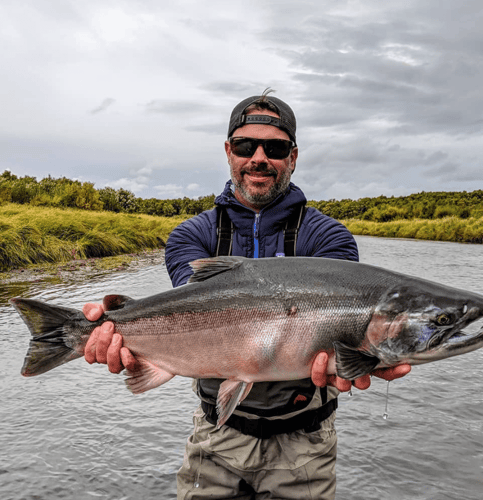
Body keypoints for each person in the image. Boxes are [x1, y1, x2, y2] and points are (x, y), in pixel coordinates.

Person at [83, 90, 411, 499]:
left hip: (304, 443)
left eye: (274, 148)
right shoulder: (192, 235)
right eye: (245, 145)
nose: (259, 157)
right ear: (229, 152)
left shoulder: (328, 238)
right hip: (215, 434)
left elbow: (350, 327)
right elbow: (191, 310)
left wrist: (369, 356)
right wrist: (117, 328)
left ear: (292, 157)